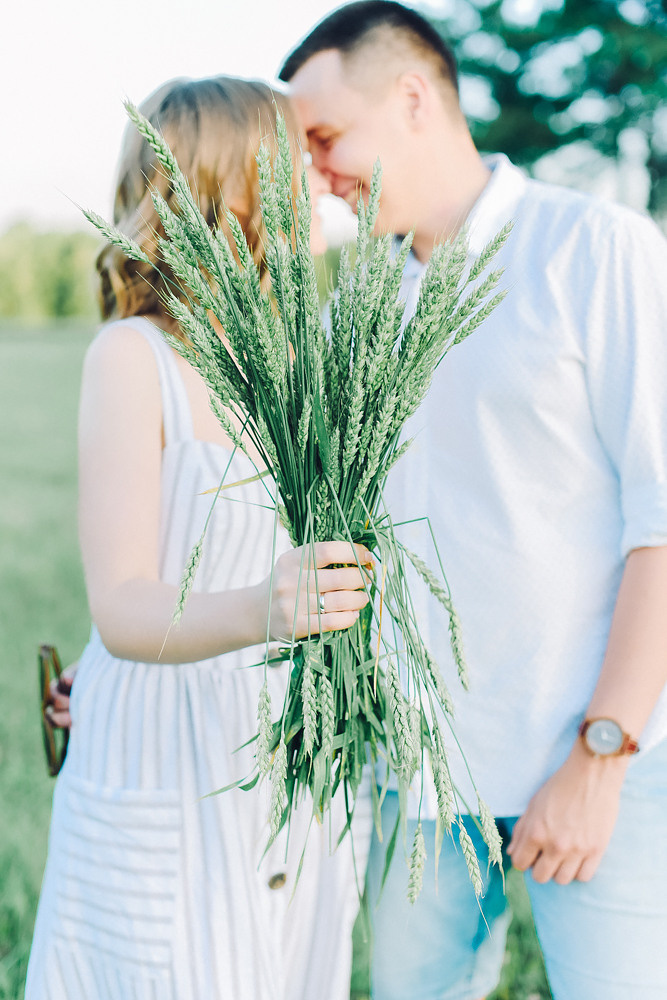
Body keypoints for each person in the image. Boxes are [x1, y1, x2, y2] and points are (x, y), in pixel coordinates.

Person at [279, 4, 667, 1000]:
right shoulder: (353, 302)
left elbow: (661, 524)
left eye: (324, 138)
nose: (315, 173)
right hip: (420, 779)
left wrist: (600, 757)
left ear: (412, 96)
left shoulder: (595, 248)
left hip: (603, 761)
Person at [26, 75, 373, 1000]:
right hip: (166, 750)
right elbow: (126, 608)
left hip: (291, 756)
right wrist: (268, 608)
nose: (314, 178)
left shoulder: (312, 356)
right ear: (236, 179)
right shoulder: (134, 358)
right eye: (291, 159)